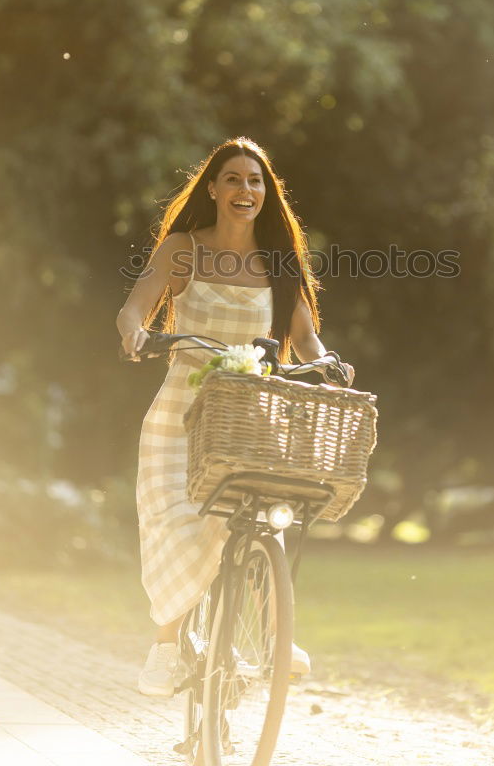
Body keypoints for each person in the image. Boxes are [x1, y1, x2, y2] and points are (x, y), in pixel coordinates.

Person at [116, 137, 355, 697]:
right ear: (214, 189)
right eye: (233, 179)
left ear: (266, 194)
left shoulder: (279, 264)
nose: (245, 189)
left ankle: (275, 635)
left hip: (250, 414)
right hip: (182, 408)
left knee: (264, 514)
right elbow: (137, 303)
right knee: (176, 518)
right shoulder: (183, 249)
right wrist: (133, 332)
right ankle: (167, 646)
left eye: (255, 181)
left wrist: (325, 364)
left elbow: (306, 337)